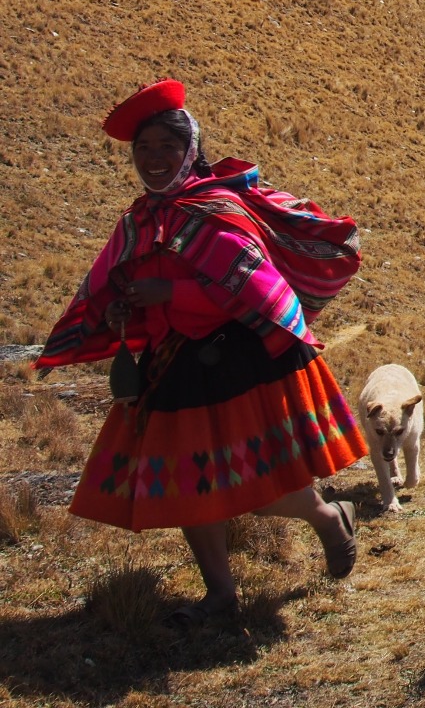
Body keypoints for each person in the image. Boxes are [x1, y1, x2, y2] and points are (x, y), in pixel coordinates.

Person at [36, 80, 369, 624]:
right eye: (144, 150)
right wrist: (126, 313)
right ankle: (220, 597)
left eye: (166, 147)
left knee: (261, 489)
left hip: (242, 361)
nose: (154, 159)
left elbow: (253, 288)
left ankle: (329, 517)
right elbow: (125, 288)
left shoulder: (218, 208)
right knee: (190, 489)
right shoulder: (138, 221)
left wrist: (173, 293)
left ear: (189, 149)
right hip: (175, 368)